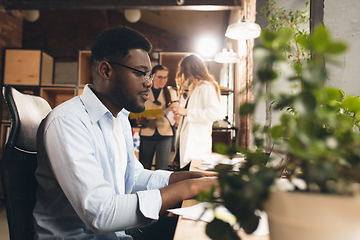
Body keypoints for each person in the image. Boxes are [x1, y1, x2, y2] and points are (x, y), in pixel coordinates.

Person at [33, 26, 217, 240]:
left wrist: (192, 177)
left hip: (116, 234)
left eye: (148, 74)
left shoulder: (119, 117)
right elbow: (101, 214)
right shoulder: (68, 121)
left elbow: (134, 176)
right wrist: (190, 187)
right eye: (140, 73)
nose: (148, 82)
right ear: (106, 71)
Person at [170, 54, 221, 171]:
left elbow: (214, 112)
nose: (186, 76)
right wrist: (180, 114)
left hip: (196, 145)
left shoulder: (205, 86)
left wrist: (186, 112)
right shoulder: (196, 87)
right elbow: (190, 112)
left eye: (186, 72)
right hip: (187, 142)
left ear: (192, 70)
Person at [137, 65, 177, 170]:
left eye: (165, 77)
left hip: (165, 135)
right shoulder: (143, 91)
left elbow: (176, 114)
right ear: (153, 77)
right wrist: (145, 116)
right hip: (147, 133)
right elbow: (136, 111)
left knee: (162, 170)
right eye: (160, 77)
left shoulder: (171, 92)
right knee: (144, 168)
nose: (163, 80)